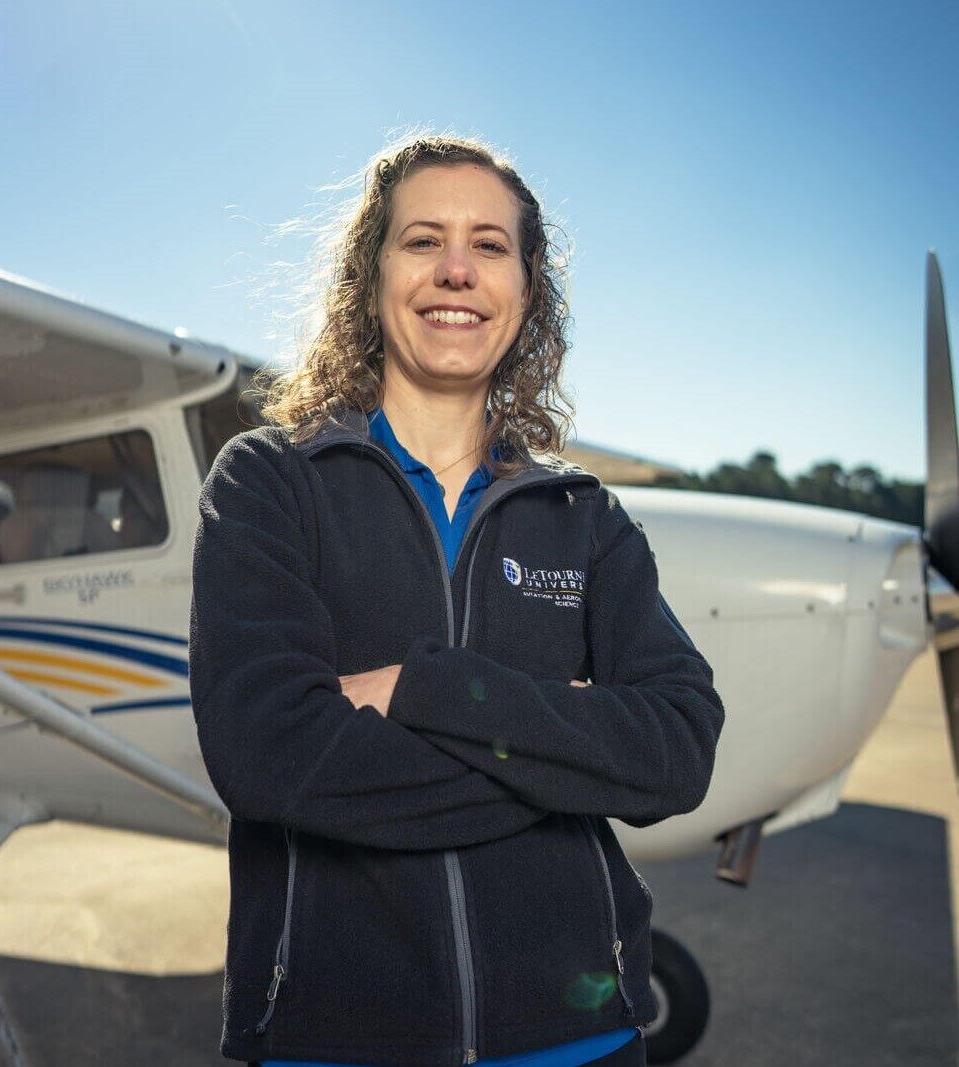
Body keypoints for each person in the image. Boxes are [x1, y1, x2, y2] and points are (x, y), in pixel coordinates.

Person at [189, 135, 725, 1067]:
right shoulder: (268, 481)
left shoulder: (583, 516)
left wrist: (416, 691)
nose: (454, 269)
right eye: (421, 239)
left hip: (583, 1041)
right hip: (331, 1042)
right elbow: (267, 753)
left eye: (487, 244)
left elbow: (676, 750)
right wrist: (567, 759)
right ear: (369, 276)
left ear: (526, 289)